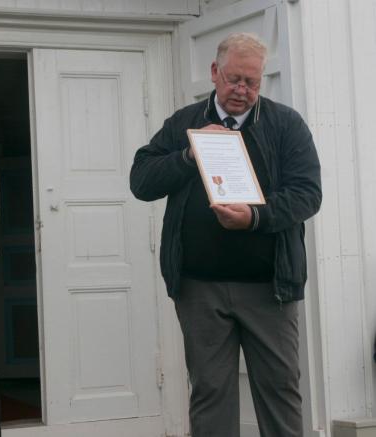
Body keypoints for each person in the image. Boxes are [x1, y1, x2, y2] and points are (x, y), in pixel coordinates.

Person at [130, 32, 321, 437]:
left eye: (252, 82)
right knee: (210, 393)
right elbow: (142, 180)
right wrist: (187, 156)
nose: (242, 90)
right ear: (215, 72)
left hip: (270, 289)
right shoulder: (185, 123)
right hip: (200, 289)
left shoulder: (285, 124)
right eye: (235, 79)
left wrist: (254, 218)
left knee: (280, 391)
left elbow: (307, 195)